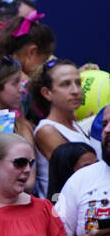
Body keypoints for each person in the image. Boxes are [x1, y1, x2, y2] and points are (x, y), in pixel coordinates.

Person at [32, 58, 97, 197]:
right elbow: (79, 175)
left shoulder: (75, 124)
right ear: (47, 93)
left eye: (78, 83)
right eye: (65, 84)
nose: (75, 90)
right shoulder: (47, 130)